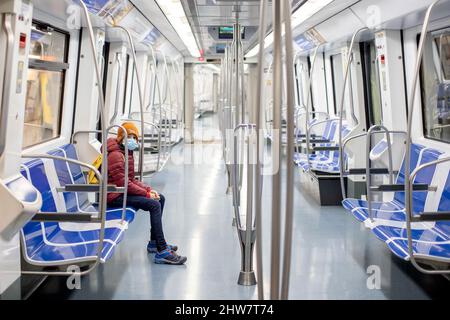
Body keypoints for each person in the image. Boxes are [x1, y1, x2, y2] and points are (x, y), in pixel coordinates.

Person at [106, 122, 187, 265]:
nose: (132, 140)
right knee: (154, 205)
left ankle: (154, 243)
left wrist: (148, 190)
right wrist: (146, 194)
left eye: (134, 137)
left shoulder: (126, 152)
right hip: (114, 196)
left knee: (160, 198)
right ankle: (162, 251)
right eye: (129, 136)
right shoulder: (116, 156)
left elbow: (130, 180)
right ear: (120, 137)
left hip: (122, 192)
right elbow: (124, 184)